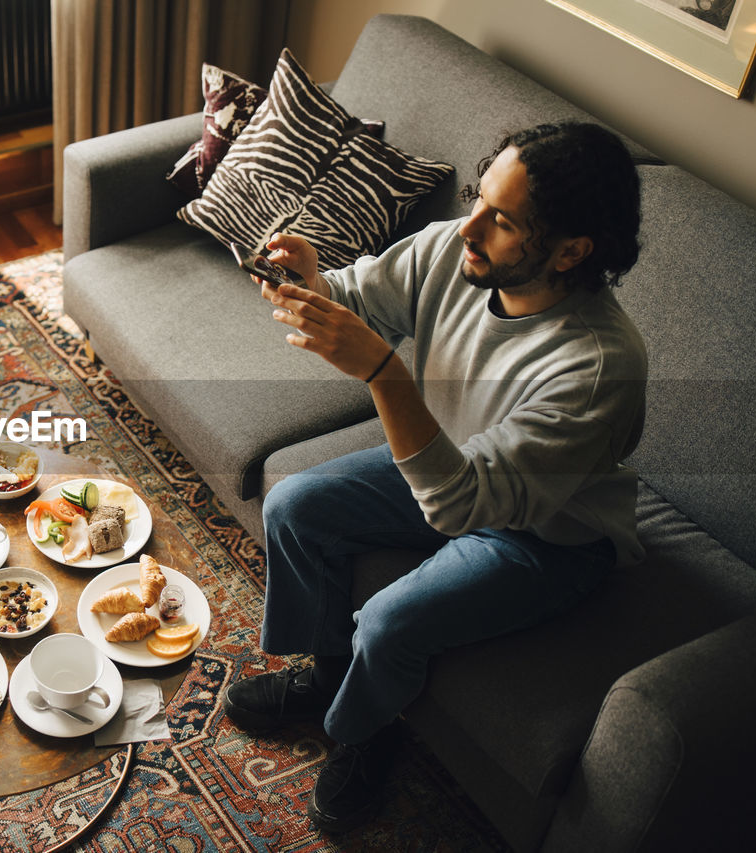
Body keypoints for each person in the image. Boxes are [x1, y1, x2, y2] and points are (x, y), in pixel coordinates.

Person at [223, 122, 646, 836]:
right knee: (293, 504)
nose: (468, 225)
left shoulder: (598, 365)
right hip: (450, 457)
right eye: (479, 197)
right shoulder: (457, 251)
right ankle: (329, 675)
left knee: (390, 621)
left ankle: (364, 730)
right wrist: (312, 283)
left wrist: (385, 373)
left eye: (502, 219)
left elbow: (459, 505)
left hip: (545, 533)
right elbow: (360, 300)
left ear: (572, 252)